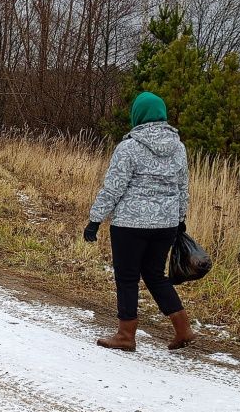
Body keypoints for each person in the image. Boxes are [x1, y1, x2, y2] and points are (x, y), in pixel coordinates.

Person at [83, 91, 197, 352]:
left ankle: (126, 335)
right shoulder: (178, 147)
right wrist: (180, 219)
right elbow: (182, 188)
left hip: (131, 224)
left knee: (127, 277)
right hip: (166, 224)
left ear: (138, 115)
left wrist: (95, 220)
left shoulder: (129, 148)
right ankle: (183, 329)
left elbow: (113, 188)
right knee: (156, 275)